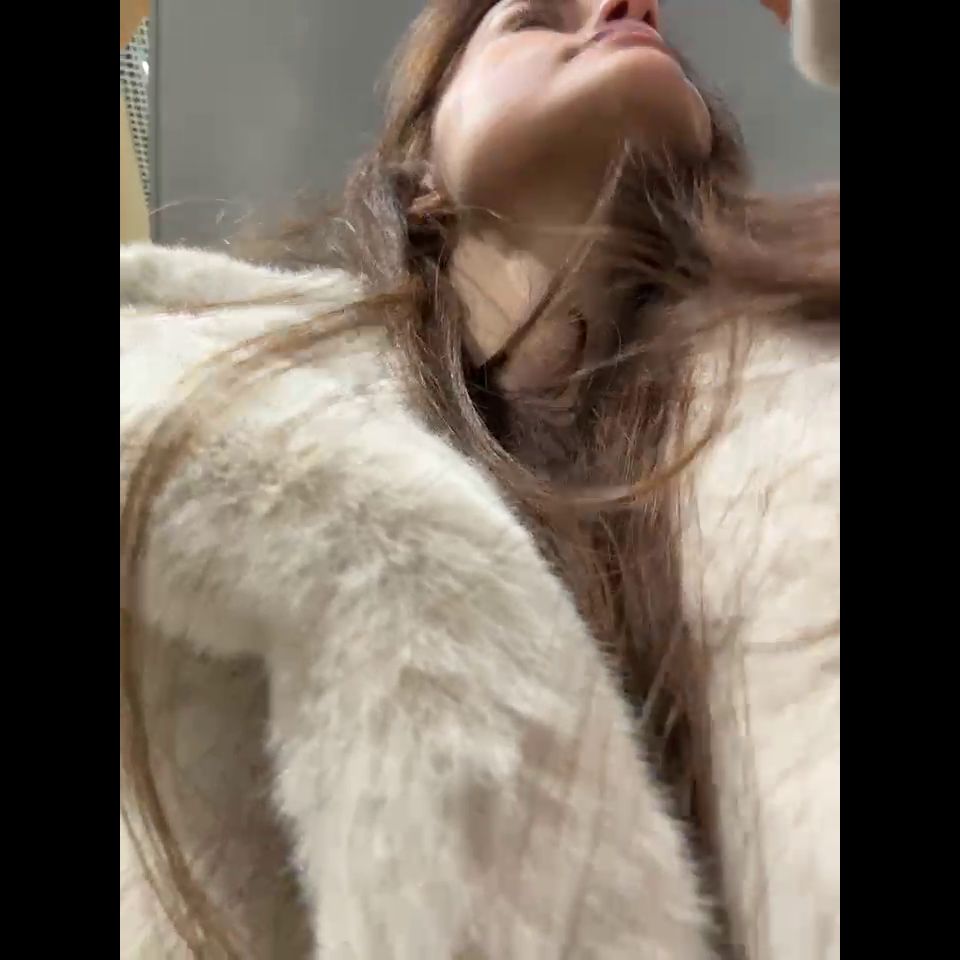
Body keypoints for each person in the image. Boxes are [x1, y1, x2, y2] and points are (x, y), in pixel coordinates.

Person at [119, 0, 839, 957]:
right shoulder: (204, 413)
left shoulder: (818, 325)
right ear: (424, 183)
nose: (628, 4)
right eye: (536, 17)